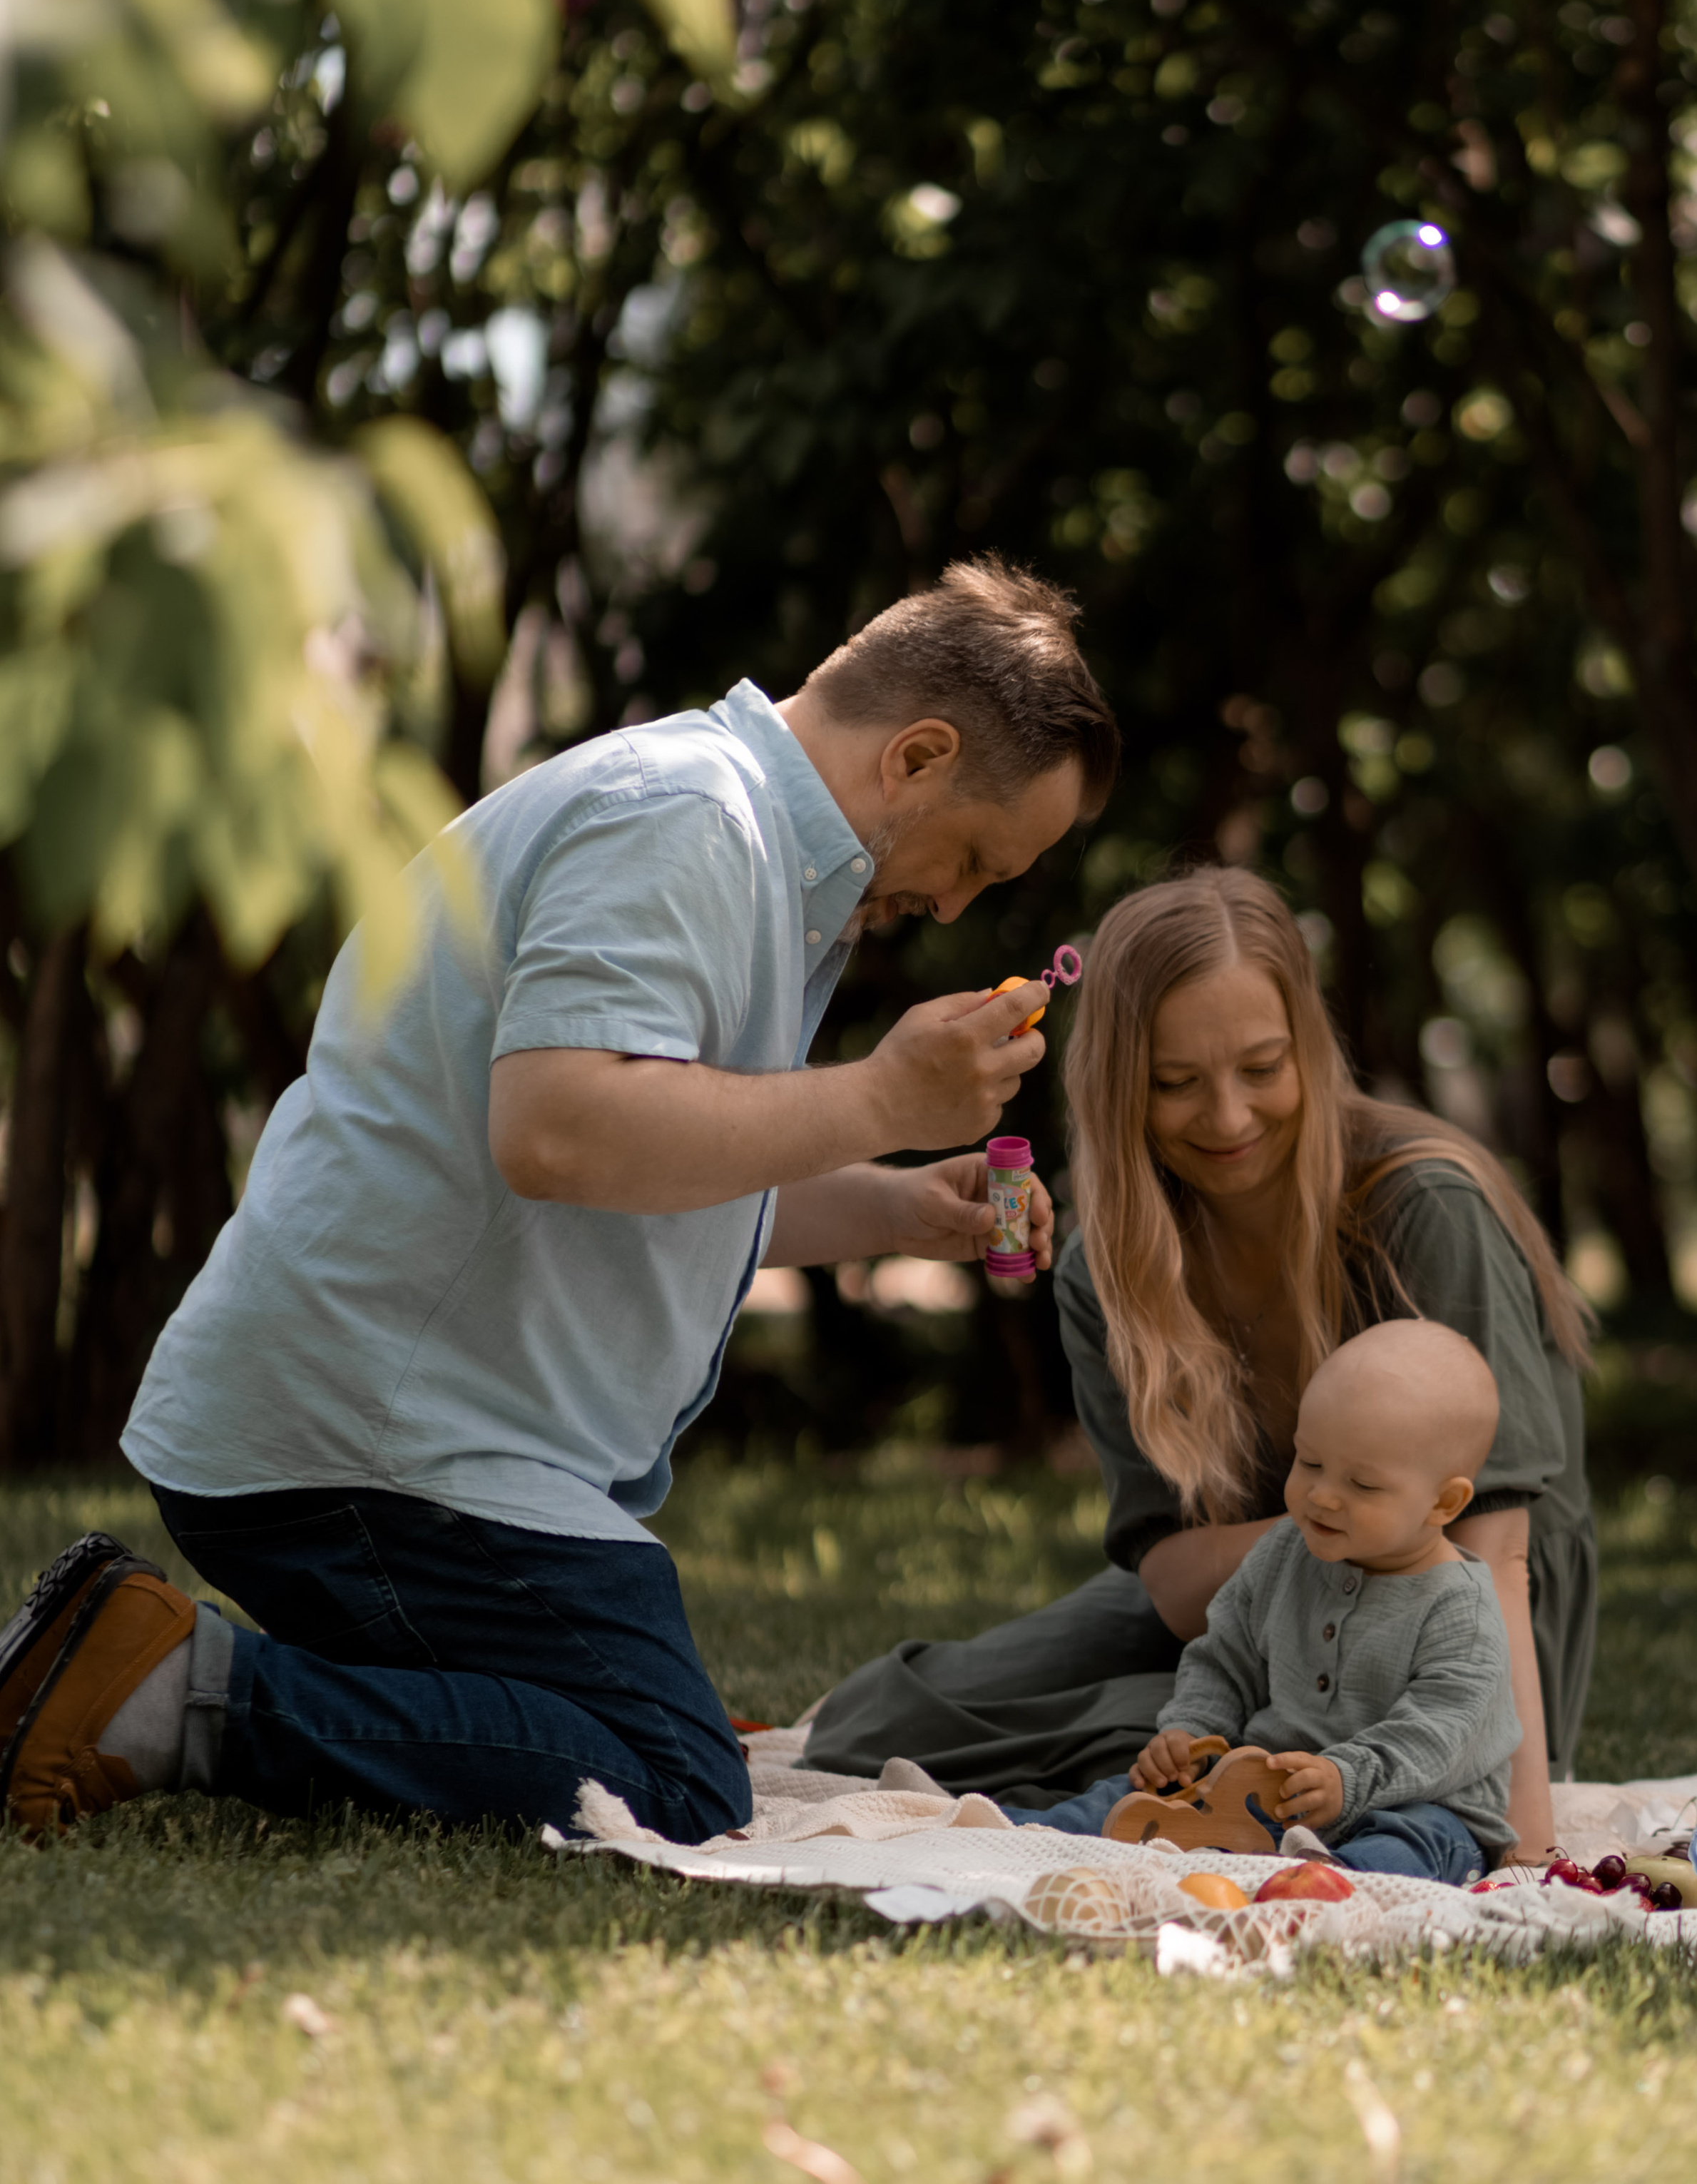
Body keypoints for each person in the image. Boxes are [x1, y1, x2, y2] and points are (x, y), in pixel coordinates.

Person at [0, 559, 1117, 1842]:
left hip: (385, 1434)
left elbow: (670, 1170)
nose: (958, 904)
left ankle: (215, 1678)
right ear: (916, 757)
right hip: (370, 1445)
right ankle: (166, 1688)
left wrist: (905, 1206)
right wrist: (880, 1097)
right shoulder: (688, 821)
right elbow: (563, 1130)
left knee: (635, 1734)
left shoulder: (736, 844)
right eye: (977, 858)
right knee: (677, 1779)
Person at [805, 868, 1596, 1861]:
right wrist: (1330, 1512)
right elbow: (1179, 1581)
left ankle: (1251, 1773)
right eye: (1177, 1083)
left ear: (1308, 1047)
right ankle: (1228, 1766)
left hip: (1444, 1617)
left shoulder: (1423, 1206)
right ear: (1121, 1085)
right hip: (1260, 1592)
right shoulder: (1109, 1265)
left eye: (1261, 1068)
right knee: (876, 1726)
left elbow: (1494, 1547)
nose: (1226, 1119)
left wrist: (1522, 1844)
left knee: (1253, 1738)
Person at [1006, 1321, 1521, 1886]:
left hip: (1410, 1801)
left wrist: (1344, 1780)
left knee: (1419, 1845)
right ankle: (1018, 1841)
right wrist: (1192, 1736)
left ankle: (1329, 1885)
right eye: (1310, 1462)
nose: (1323, 1495)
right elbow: (1226, 1657)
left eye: (1364, 1485)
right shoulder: (1284, 1552)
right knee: (1135, 1797)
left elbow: (1436, 1735)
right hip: (1268, 1793)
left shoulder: (1459, 1608)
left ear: (1443, 1502)